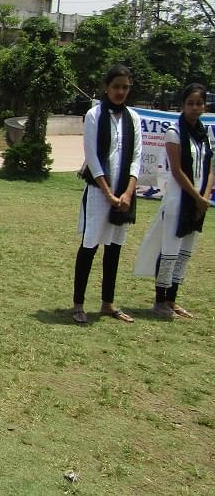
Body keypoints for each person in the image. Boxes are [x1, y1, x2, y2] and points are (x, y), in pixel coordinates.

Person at [133, 83, 212, 318]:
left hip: (199, 201)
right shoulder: (173, 132)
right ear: (183, 105)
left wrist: (204, 197)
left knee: (185, 251)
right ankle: (159, 301)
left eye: (199, 103)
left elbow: (210, 170)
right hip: (179, 199)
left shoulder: (205, 133)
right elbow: (177, 171)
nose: (195, 108)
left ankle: (173, 299)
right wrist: (197, 197)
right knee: (169, 250)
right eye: (190, 103)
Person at [71, 64, 142, 324]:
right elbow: (93, 158)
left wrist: (127, 192)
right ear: (106, 87)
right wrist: (109, 193)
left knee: (114, 248)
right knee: (89, 246)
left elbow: (136, 158)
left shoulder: (133, 118)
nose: (120, 92)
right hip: (99, 192)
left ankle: (107, 303)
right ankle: (78, 303)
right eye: (116, 87)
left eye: (125, 87)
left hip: (124, 194)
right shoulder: (94, 115)